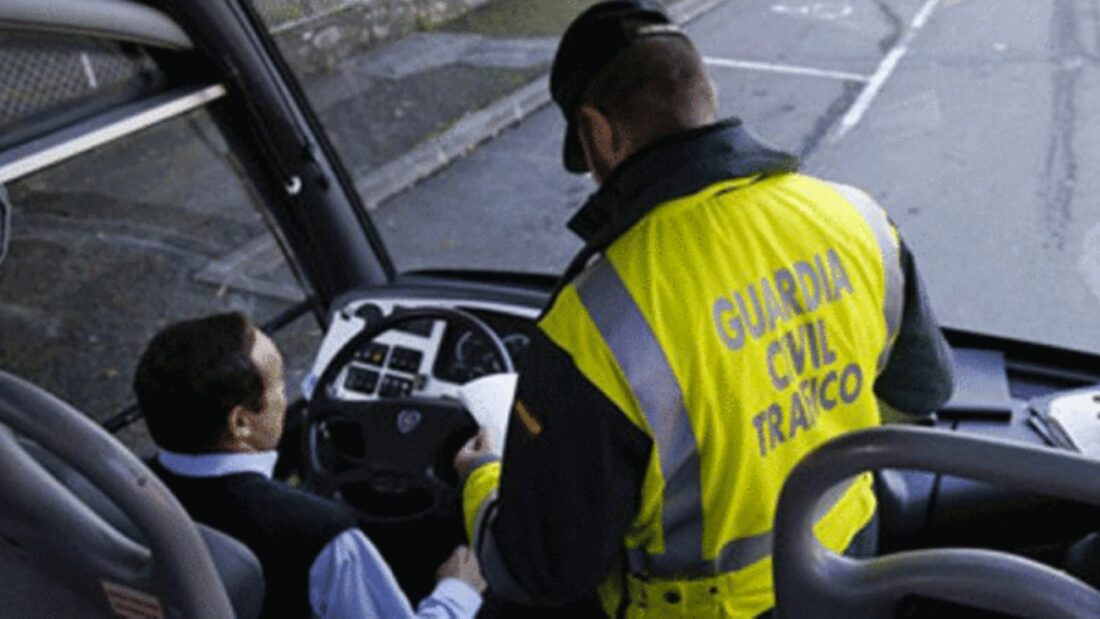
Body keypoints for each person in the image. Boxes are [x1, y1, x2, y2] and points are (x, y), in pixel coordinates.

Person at [454, 1, 956, 617]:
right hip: (850, 578)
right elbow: (921, 390)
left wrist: (483, 475)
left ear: (599, 133)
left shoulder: (594, 319)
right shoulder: (854, 218)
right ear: (707, 94)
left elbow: (545, 568)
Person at [134, 312, 485, 619]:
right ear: (240, 423)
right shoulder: (320, 535)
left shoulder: (122, 491)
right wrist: (459, 590)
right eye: (279, 386)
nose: (289, 399)